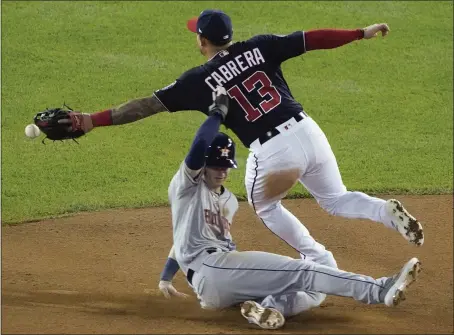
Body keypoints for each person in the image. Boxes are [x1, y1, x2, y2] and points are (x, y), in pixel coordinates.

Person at [64, 9, 424, 268]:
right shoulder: (261, 45)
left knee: (266, 206)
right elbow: (312, 39)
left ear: (202, 40)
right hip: (308, 131)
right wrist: (360, 32)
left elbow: (145, 106)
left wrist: (91, 121)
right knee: (335, 198)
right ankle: (384, 212)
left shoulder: (197, 80)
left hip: (273, 151)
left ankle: (317, 259)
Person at [157, 86, 421, 330]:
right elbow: (200, 145)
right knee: (304, 272)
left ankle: (271, 308)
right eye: (216, 165)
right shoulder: (187, 186)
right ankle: (379, 290)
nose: (222, 172)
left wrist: (166, 278)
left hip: (220, 286)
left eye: (226, 166)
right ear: (201, 165)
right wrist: (217, 112)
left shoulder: (227, 201)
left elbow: (180, 237)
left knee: (314, 291)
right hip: (214, 269)